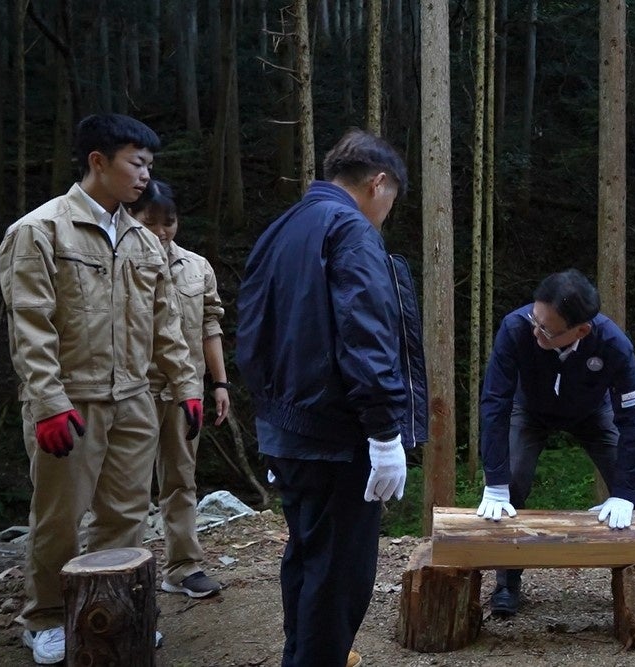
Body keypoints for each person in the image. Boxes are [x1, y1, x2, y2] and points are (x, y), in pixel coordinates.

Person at [0, 114, 203, 665]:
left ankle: (113, 614)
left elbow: (164, 322)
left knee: (126, 516)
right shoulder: (39, 231)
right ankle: (44, 618)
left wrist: (186, 387)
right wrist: (48, 402)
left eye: (149, 166)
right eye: (136, 163)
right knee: (59, 517)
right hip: (72, 401)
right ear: (98, 161)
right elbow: (30, 325)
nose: (144, 176)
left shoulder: (140, 238)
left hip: (136, 398)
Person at [236, 129, 426, 667]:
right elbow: (367, 335)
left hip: (288, 428)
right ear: (379, 183)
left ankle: (304, 655)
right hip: (338, 436)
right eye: (392, 199)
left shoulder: (282, 228)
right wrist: (384, 430)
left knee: (306, 555)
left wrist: (272, 417)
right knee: (338, 572)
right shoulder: (351, 230)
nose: (388, 211)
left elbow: (250, 335)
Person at [475, 268, 635, 616]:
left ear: (581, 330)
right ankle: (507, 583)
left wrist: (626, 491)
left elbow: (634, 417)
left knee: (630, 494)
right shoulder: (515, 328)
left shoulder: (614, 344)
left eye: (546, 329)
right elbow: (495, 403)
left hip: (591, 412)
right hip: (528, 410)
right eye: (535, 320)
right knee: (512, 481)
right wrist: (494, 480)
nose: (535, 330)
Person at [128, 180, 228, 599]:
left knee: (181, 480)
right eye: (151, 222)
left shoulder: (197, 267)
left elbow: (210, 325)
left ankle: (183, 567)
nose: (162, 231)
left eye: (168, 222)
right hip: (133, 389)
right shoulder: (121, 264)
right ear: (133, 220)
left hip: (185, 390)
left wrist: (219, 383)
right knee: (127, 488)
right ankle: (122, 572)